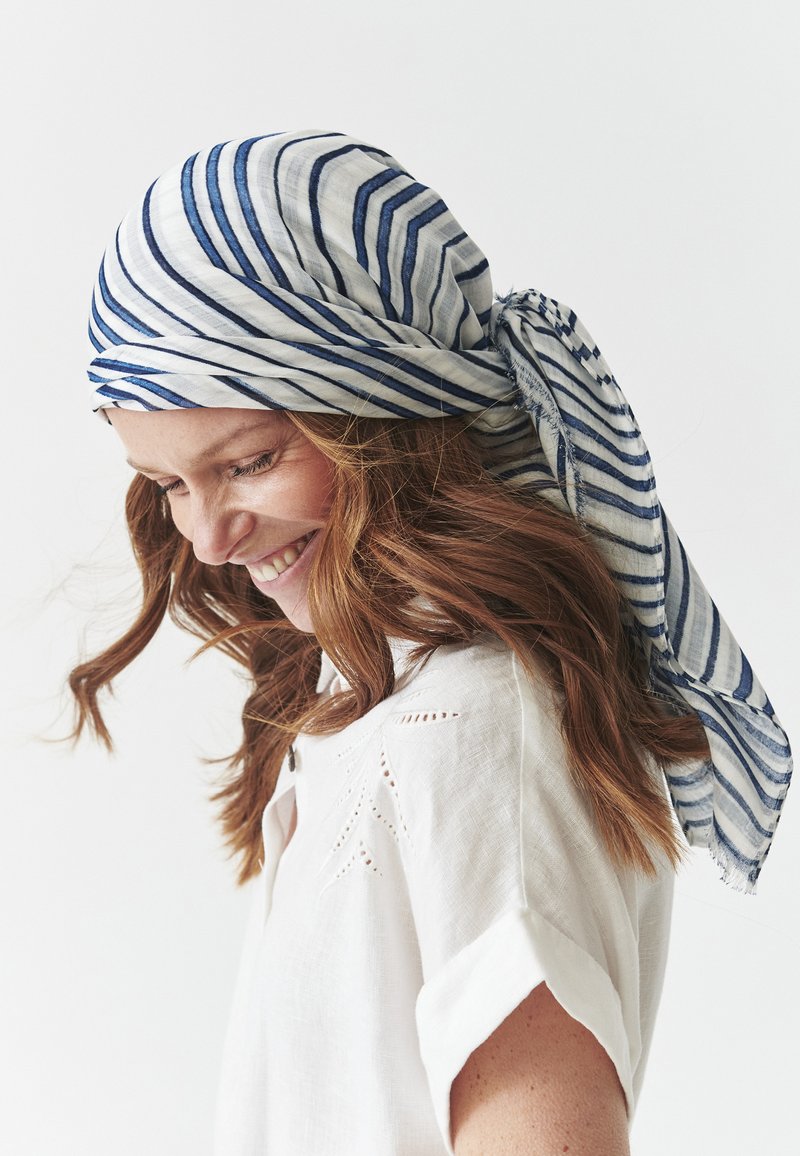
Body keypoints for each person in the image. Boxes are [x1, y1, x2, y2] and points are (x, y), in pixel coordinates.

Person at [69, 130, 792, 1155]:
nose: (209, 537)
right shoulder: (384, 692)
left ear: (387, 410)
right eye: (168, 483)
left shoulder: (472, 726)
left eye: (249, 461)